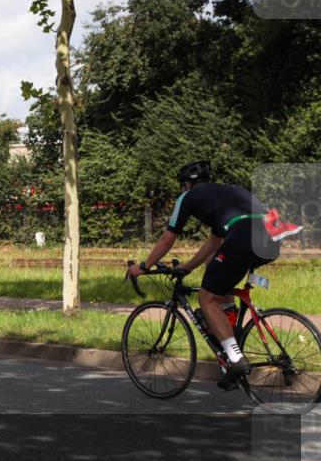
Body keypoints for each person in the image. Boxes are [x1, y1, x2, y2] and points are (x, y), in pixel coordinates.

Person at [128, 161, 302, 389]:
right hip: (271, 238)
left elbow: (167, 238)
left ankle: (235, 358)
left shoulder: (189, 196)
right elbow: (214, 242)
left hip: (243, 238)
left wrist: (143, 266)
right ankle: (229, 330)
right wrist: (188, 267)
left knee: (206, 298)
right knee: (216, 269)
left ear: (187, 185)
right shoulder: (228, 192)